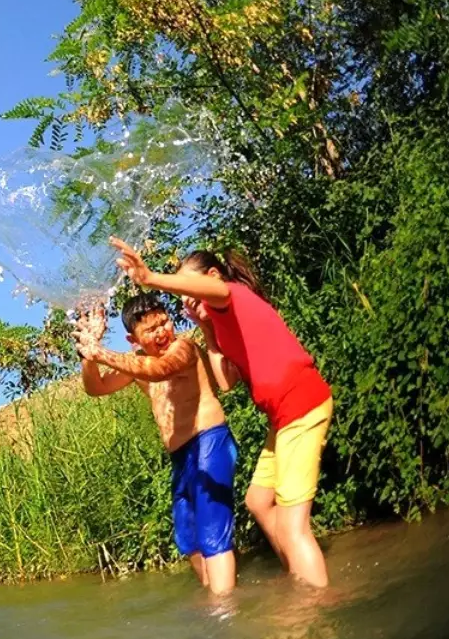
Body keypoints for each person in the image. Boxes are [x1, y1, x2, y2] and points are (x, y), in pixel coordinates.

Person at [110, 237, 333, 588]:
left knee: (293, 528)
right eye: (185, 301)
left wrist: (150, 277)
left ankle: (313, 605)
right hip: (284, 417)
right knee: (258, 502)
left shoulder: (231, 294)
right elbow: (226, 382)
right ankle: (296, 576)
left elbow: (208, 290)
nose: (187, 301)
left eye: (191, 292)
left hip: (301, 405)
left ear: (212, 277)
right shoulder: (220, 321)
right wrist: (205, 326)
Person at [73, 293, 240, 594]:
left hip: (210, 442)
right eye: (150, 330)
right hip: (180, 458)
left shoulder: (182, 348)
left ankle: (225, 611)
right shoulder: (136, 362)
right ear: (132, 338)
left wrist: (101, 352)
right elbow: (96, 388)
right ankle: (217, 604)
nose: (161, 332)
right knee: (189, 540)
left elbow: (161, 370)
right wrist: (87, 356)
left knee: (213, 534)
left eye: (164, 322)